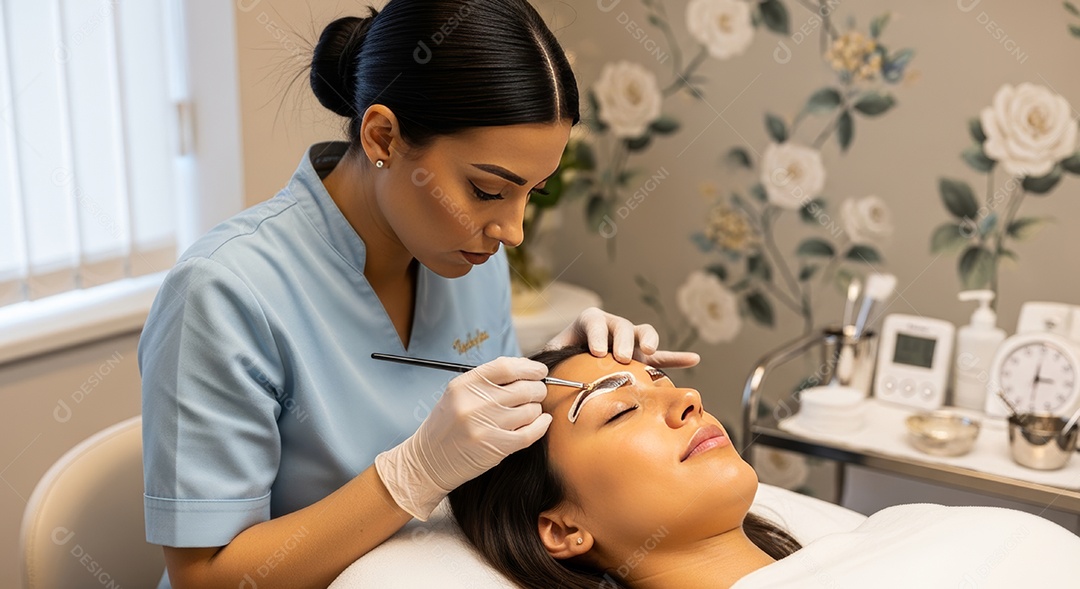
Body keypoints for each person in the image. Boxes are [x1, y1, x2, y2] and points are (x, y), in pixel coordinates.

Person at [137, 2, 697, 588]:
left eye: (532, 191)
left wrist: (554, 373)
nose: (513, 230)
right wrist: (409, 476)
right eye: (486, 190)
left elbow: (486, 461)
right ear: (383, 136)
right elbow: (206, 578)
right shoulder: (223, 292)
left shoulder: (468, 256)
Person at [449, 345, 1080, 589]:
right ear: (562, 528)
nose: (687, 398)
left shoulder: (891, 534)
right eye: (618, 412)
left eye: (660, 379)